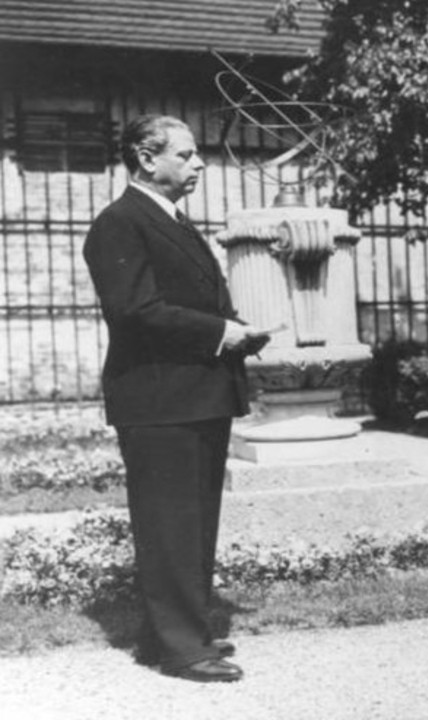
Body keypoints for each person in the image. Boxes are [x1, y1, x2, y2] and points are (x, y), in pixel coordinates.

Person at [83, 115, 271, 682]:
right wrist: (221, 333)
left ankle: (173, 635)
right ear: (146, 157)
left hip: (194, 394)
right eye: (186, 155)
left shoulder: (171, 221)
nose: (199, 164)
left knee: (191, 523)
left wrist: (237, 327)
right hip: (159, 399)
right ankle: (183, 648)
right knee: (170, 525)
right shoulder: (119, 223)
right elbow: (136, 311)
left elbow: (189, 300)